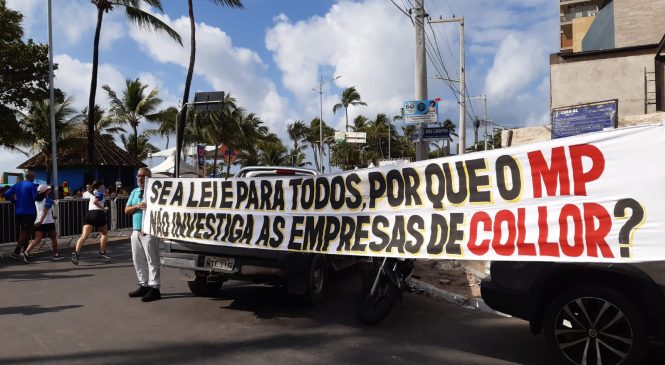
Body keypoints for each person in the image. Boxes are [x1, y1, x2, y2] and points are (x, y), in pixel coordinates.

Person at [125, 167, 161, 302]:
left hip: (150, 230)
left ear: (149, 178)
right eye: (139, 176)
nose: (140, 178)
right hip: (136, 230)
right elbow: (126, 210)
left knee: (152, 260)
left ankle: (155, 287)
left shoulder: (155, 192)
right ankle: (143, 284)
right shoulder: (134, 192)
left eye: (143, 176)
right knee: (137, 259)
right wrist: (136, 207)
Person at [71, 180, 110, 264]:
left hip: (89, 215)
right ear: (99, 186)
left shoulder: (92, 193)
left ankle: (76, 253)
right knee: (104, 233)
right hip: (98, 214)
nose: (103, 187)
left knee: (84, 236)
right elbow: (95, 201)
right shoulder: (98, 193)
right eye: (102, 186)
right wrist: (103, 208)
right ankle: (102, 252)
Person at [22, 185, 64, 262]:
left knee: (37, 239)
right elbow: (45, 211)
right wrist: (42, 221)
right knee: (53, 238)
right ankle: (55, 255)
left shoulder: (36, 200)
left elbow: (41, 211)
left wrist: (39, 221)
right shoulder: (49, 200)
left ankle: (26, 252)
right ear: (46, 192)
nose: (49, 190)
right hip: (47, 222)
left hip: (38, 221)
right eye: (48, 190)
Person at [4, 171, 38, 262]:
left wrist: (15, 201)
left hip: (19, 211)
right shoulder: (32, 185)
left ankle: (25, 252)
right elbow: (35, 197)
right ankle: (16, 252)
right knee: (25, 232)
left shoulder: (17, 185)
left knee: (25, 232)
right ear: (32, 178)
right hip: (29, 212)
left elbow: (6, 194)